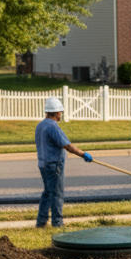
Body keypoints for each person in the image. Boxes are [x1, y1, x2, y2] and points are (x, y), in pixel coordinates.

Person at [35, 97, 92, 227]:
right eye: (60, 112)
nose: (61, 114)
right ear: (56, 113)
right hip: (54, 165)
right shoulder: (53, 127)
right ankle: (57, 222)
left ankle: (41, 222)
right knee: (57, 194)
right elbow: (67, 146)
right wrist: (83, 154)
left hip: (43, 165)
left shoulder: (40, 126)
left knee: (48, 192)